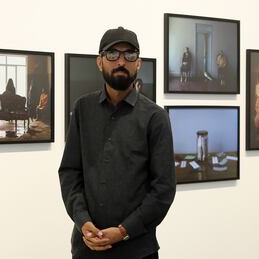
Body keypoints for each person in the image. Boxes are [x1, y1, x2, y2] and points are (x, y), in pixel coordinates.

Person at [58, 26, 176, 259]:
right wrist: (82, 221)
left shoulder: (155, 117)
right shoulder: (83, 108)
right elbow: (70, 172)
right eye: (112, 54)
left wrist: (123, 231)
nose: (121, 61)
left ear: (138, 62)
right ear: (99, 61)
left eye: (129, 54)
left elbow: (163, 189)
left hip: (137, 250)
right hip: (87, 247)